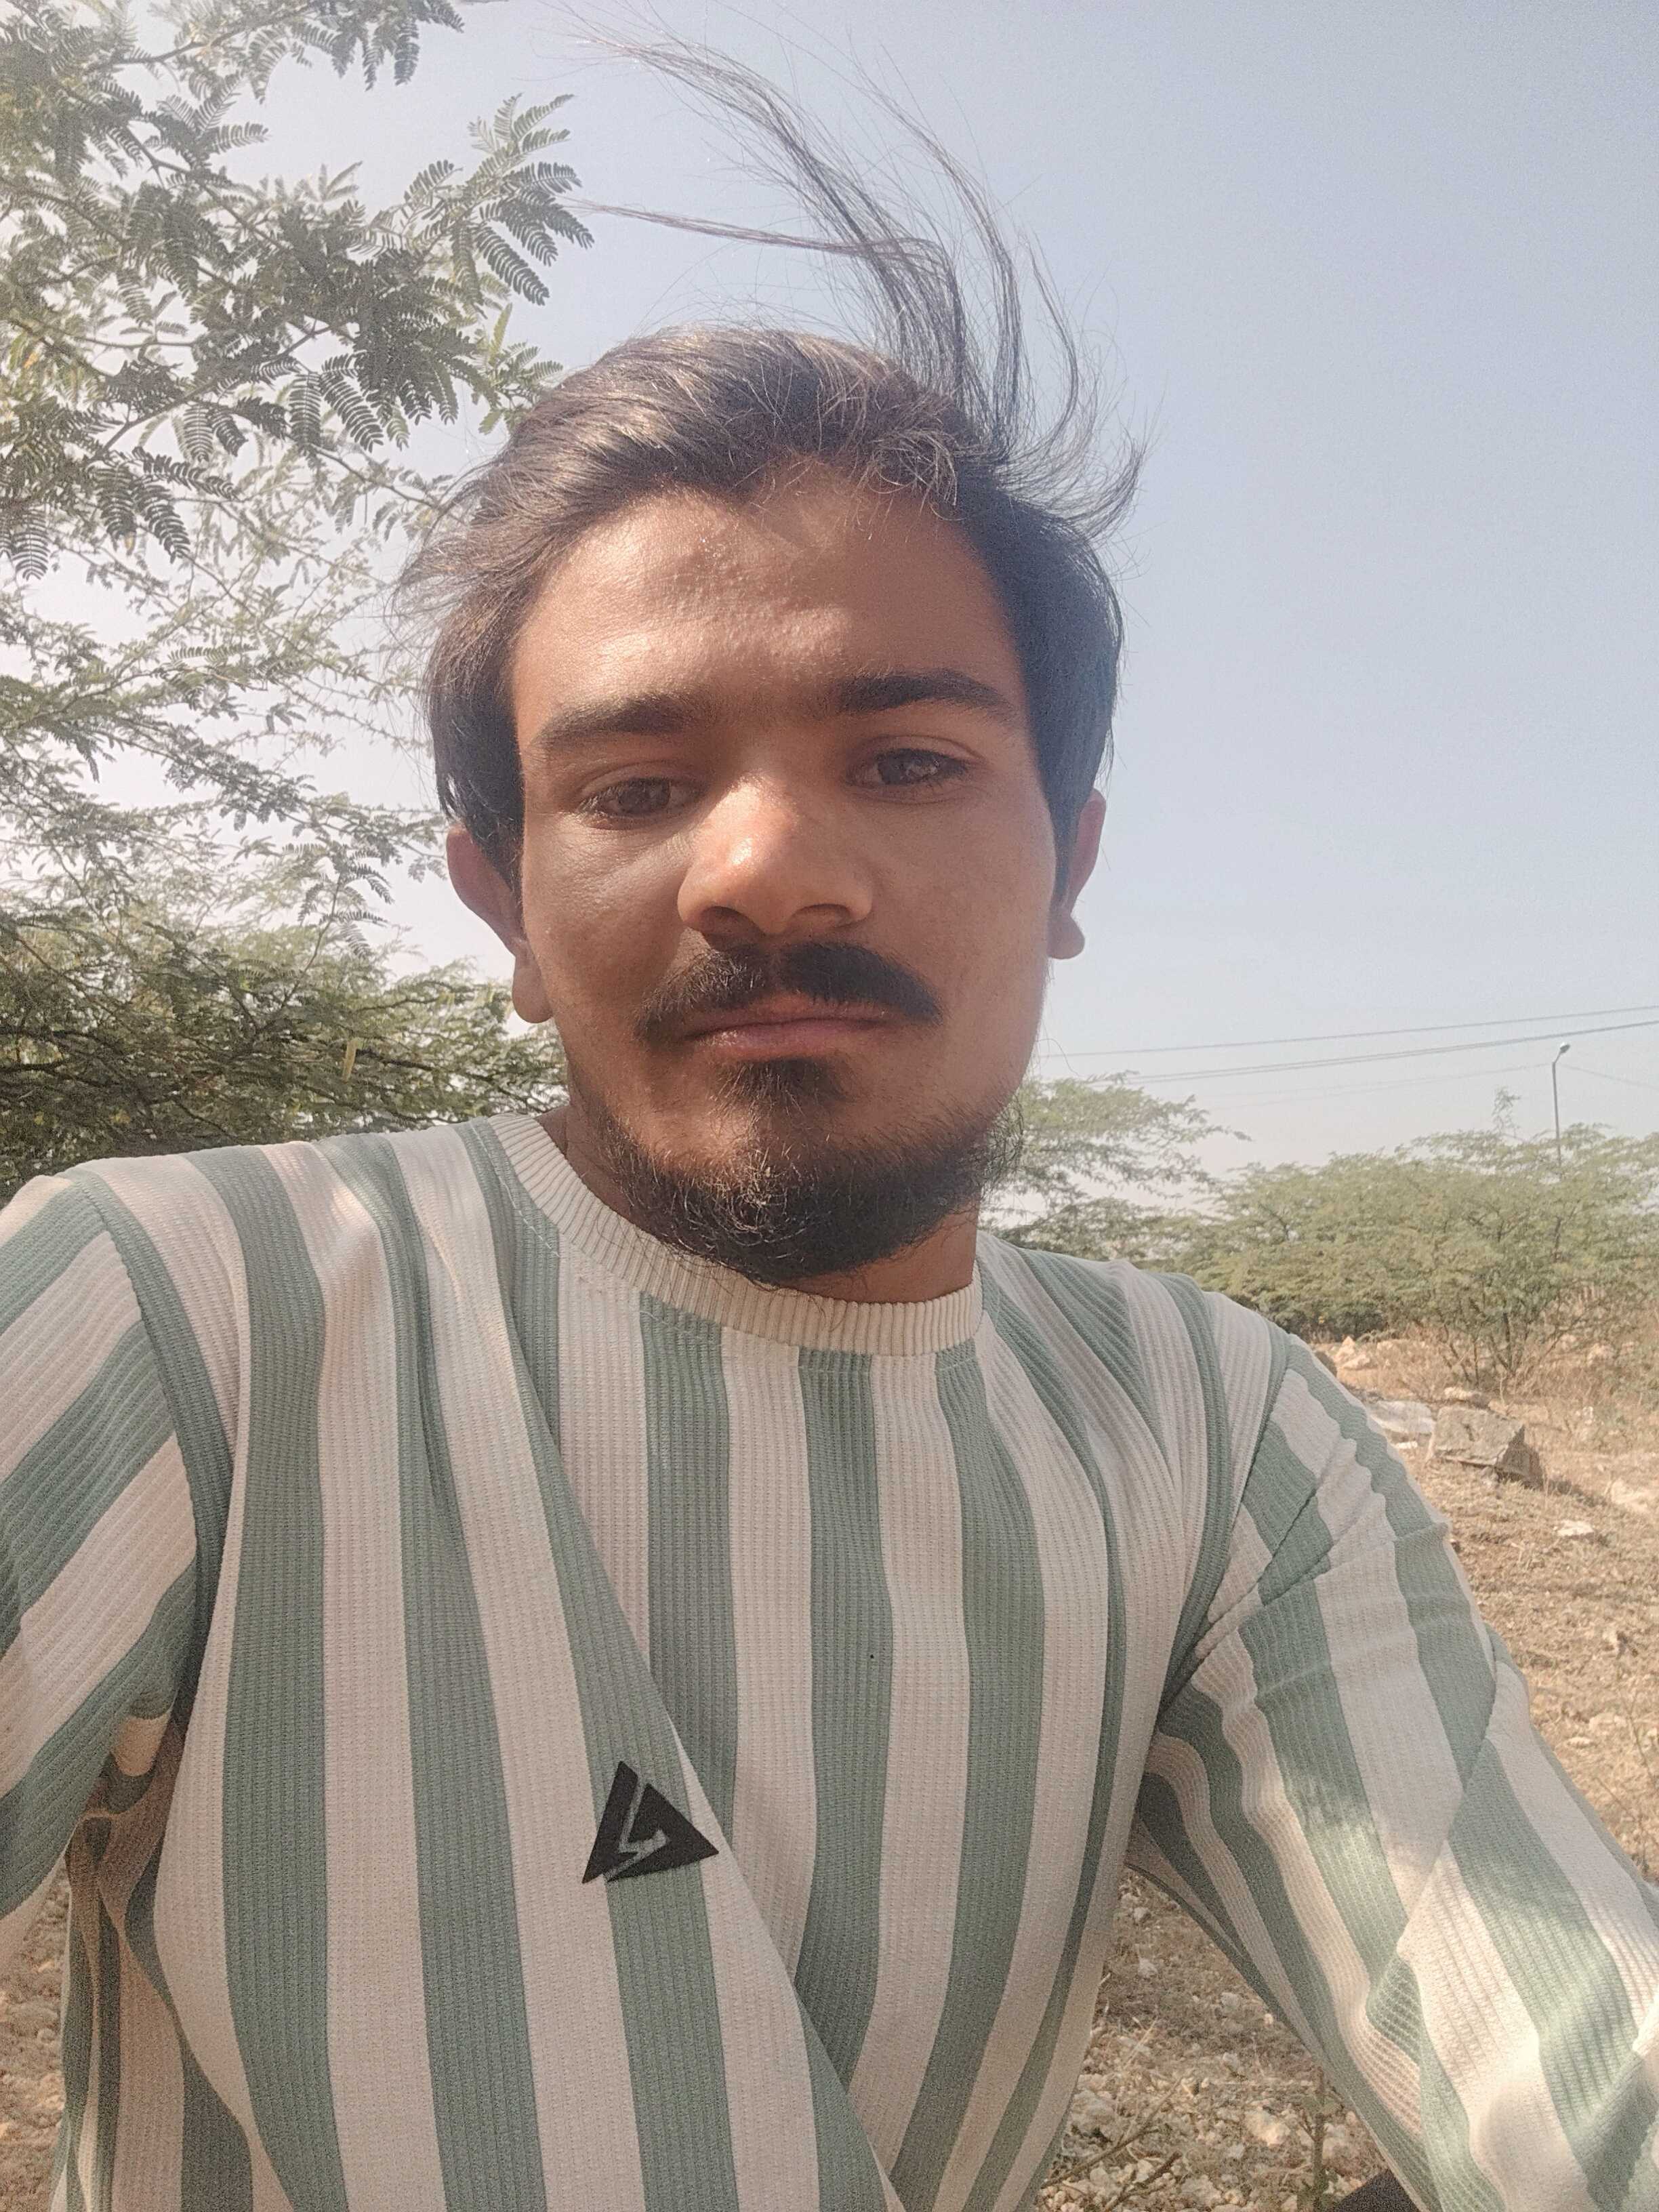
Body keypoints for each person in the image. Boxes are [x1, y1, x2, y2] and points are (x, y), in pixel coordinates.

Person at [5, 42, 1656, 2212]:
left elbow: (1569, 2047)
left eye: (907, 762)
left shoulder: (1217, 1432)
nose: (768, 869)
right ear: (505, 904)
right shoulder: (172, 1320)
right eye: (635, 785)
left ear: (1067, 865)